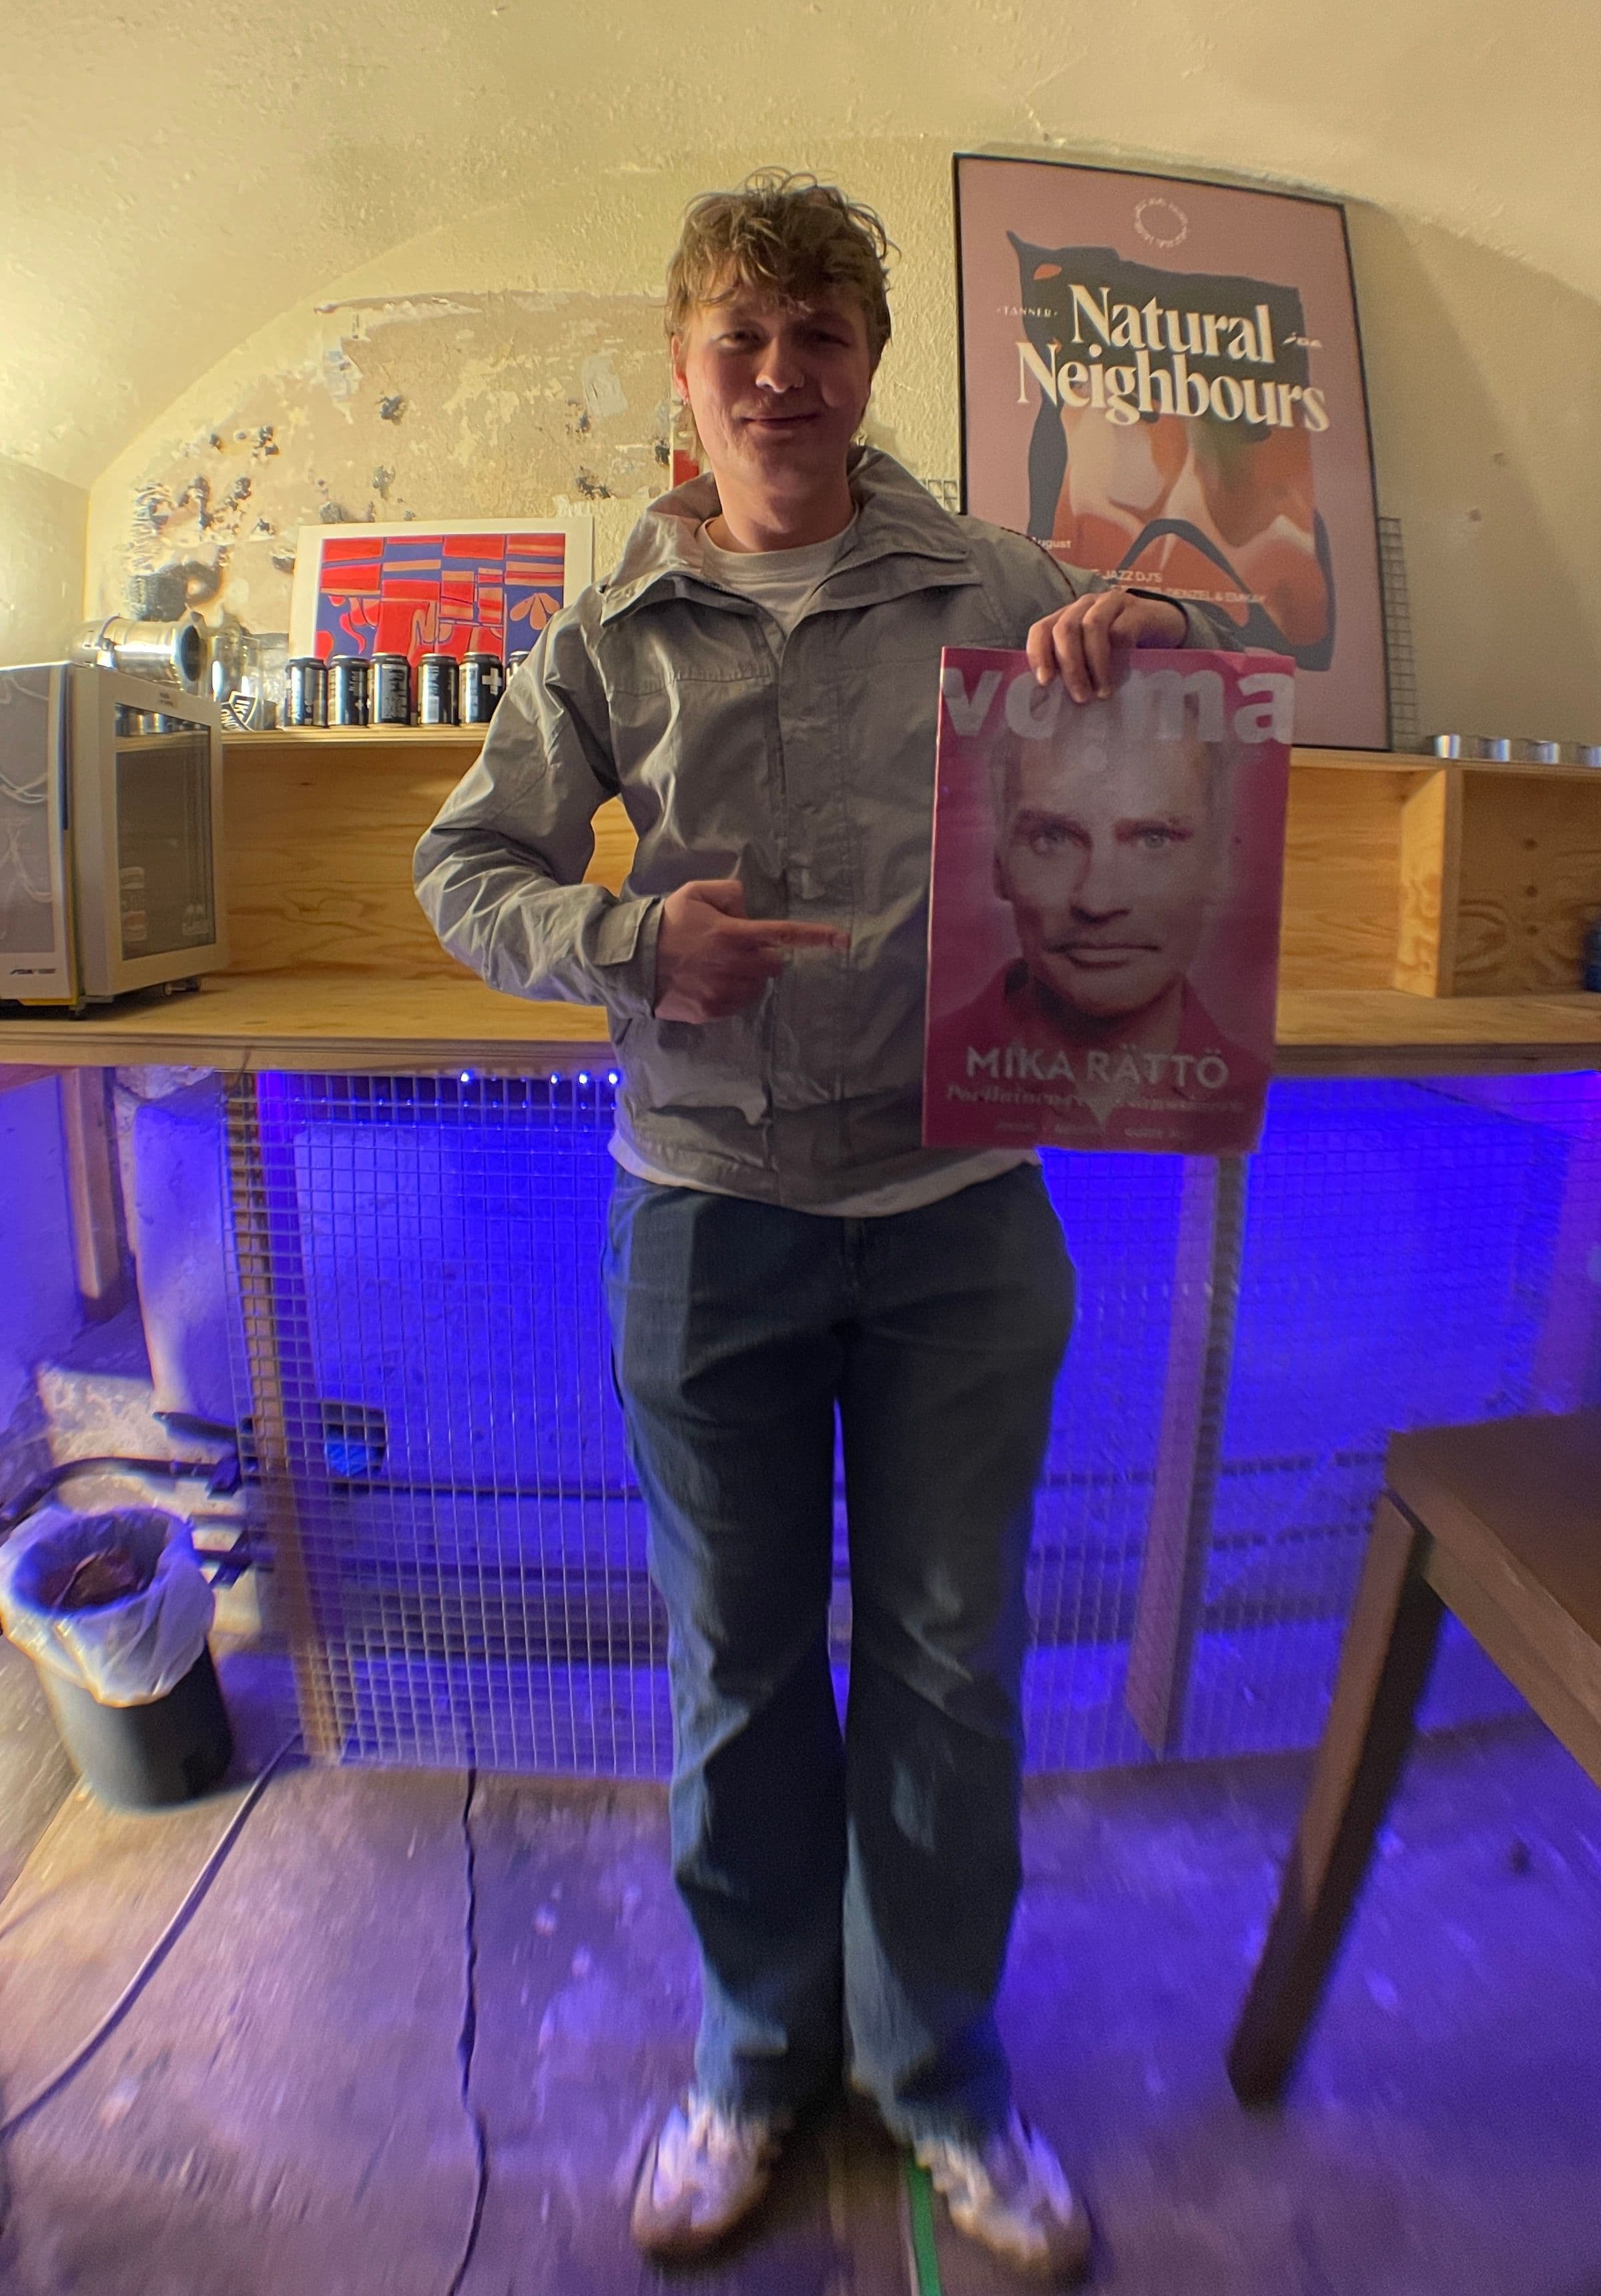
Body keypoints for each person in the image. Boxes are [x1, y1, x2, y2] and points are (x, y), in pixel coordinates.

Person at [413, 173, 1221, 2281]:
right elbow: (465, 866)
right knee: (739, 1669)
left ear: (869, 363)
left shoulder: (991, 580)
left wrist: (1139, 643)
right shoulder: (606, 633)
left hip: (960, 1219)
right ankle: (758, 2062)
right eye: (742, 341)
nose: (783, 375)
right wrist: (624, 943)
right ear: (685, 376)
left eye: (822, 336)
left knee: (952, 1666)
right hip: (709, 1222)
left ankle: (940, 2078)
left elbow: (1184, 702)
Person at [932, 691, 1263, 1094]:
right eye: (1053, 838)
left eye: (1154, 839)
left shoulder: (1255, 1098)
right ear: (999, 865)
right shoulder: (916, 1083)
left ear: (1219, 864)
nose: (1098, 901)